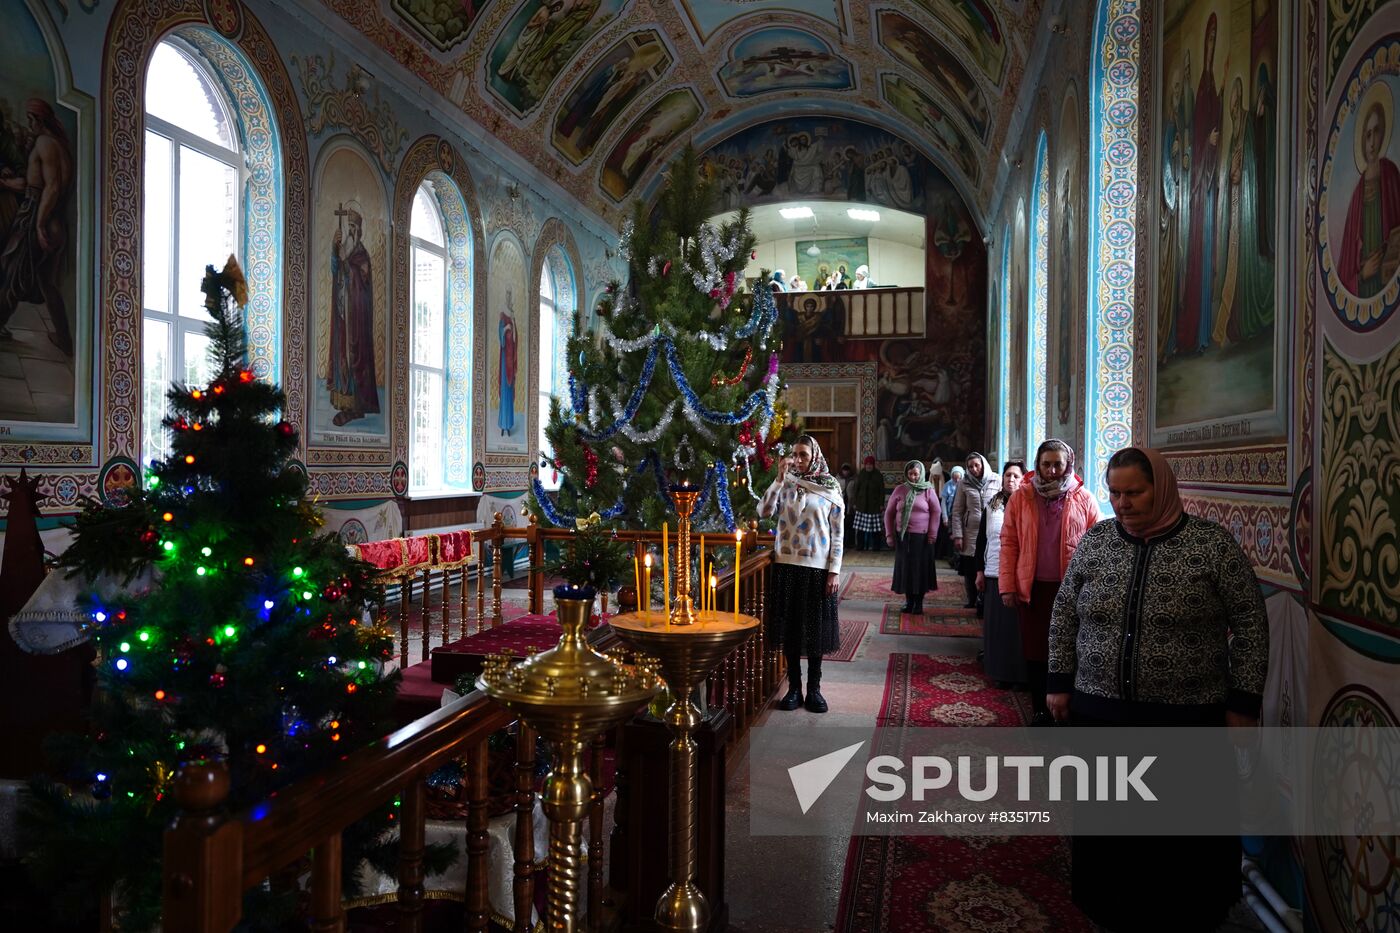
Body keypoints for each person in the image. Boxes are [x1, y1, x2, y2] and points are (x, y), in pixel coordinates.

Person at [1047, 446, 1268, 932]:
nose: (1122, 503)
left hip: (1185, 717)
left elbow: (1250, 622)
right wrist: (1060, 683)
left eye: (1134, 492)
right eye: (1114, 493)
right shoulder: (1098, 541)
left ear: (1161, 488)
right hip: (1101, 712)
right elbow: (1065, 612)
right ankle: (1111, 910)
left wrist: (1243, 703)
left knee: (1178, 839)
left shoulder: (1210, 546)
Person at [999, 438, 1101, 725]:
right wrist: (1007, 586)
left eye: (1058, 463)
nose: (1053, 470)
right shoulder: (1022, 497)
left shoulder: (1084, 497)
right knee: (1036, 651)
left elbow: (1096, 544)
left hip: (1070, 590)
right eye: (1047, 464)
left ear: (1068, 463)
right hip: (1032, 589)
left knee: (1069, 648)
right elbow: (1009, 542)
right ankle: (1040, 709)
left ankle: (1066, 708)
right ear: (1037, 465)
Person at [759, 435, 844, 713]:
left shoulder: (830, 487)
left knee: (815, 630)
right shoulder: (786, 483)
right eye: (794, 455)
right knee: (792, 629)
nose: (797, 460)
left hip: (817, 569)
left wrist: (834, 571)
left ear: (814, 456)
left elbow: (838, 534)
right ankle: (794, 688)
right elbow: (763, 511)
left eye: (803, 455)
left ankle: (814, 690)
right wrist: (778, 479)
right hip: (786, 564)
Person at [0, 98, 74, 356]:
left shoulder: (45, 144)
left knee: (13, 269)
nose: (29, 125)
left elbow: (50, 187)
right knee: (46, 282)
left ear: (40, 121)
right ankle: (64, 338)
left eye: (31, 120)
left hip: (37, 213)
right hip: (53, 218)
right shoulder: (58, 146)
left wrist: (39, 223)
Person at [1339, 89, 1400, 298]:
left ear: (1383, 133)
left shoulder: (1391, 176)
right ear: (1363, 141)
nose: (1372, 141)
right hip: (1366, 290)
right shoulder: (1357, 197)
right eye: (1368, 134)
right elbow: (1344, 275)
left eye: (1377, 131)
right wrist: (1362, 275)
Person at [974, 460, 1026, 687]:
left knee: (1016, 628)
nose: (1011, 480)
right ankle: (998, 671)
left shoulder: (1029, 505)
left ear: (1024, 479)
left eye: (1016, 476)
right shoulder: (992, 505)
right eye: (1007, 476)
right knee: (996, 626)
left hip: (1019, 573)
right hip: (994, 570)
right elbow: (981, 540)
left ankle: (1018, 673)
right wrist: (979, 571)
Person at [328, 200, 379, 426]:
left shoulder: (362, 256)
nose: (349, 232)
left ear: (358, 232)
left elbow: (362, 281)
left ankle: (356, 406)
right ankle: (342, 401)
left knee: (353, 356)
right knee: (341, 354)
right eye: (348, 228)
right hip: (342, 313)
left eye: (352, 229)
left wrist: (347, 265)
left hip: (356, 318)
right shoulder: (346, 251)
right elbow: (335, 270)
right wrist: (334, 251)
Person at [883, 460, 941, 615]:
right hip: (904, 538)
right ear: (906, 474)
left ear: (921, 474)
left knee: (920, 571)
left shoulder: (928, 491)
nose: (913, 477)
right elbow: (889, 514)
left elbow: (936, 512)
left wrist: (932, 534)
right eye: (910, 474)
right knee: (906, 570)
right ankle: (909, 602)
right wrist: (889, 535)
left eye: (916, 474)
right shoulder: (900, 490)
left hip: (922, 539)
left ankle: (918, 603)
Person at [949, 453, 1000, 614]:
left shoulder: (996, 480)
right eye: (970, 466)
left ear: (983, 464)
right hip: (970, 531)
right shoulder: (964, 483)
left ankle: (985, 600)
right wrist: (958, 535)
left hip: (990, 531)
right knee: (971, 567)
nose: (974, 469)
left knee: (988, 565)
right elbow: (957, 511)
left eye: (977, 465)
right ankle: (972, 599)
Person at [850, 456, 886, 551]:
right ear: (865, 465)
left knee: (876, 529)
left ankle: (876, 547)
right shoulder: (861, 474)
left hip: (874, 506)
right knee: (860, 529)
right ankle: (860, 546)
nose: (869, 466)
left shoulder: (878, 475)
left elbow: (882, 491)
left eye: (870, 464)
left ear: (873, 465)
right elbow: (856, 490)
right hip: (861, 505)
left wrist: (881, 504)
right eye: (867, 464)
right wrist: (855, 503)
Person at [498, 290, 518, 436]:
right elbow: (501, 336)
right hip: (505, 359)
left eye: (510, 296)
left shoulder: (511, 316)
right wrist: (505, 329)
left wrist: (514, 322)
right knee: (505, 390)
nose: (509, 299)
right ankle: (502, 424)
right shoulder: (503, 316)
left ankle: (509, 425)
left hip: (512, 358)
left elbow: (516, 338)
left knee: (510, 392)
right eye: (508, 296)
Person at [939, 464, 963, 563]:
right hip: (950, 515)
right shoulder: (947, 485)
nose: (957, 481)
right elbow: (943, 502)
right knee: (951, 537)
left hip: (961, 516)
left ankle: (959, 559)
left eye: (959, 478)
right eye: (954, 478)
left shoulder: (965, 485)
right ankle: (952, 558)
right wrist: (945, 517)